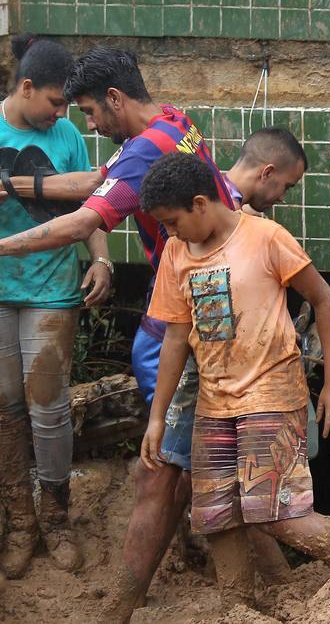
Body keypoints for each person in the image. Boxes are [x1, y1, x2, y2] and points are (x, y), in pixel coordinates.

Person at [0, 48, 290, 620]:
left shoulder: (142, 153)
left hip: (185, 317)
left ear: (114, 100)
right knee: (200, 450)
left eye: (88, 111)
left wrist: (3, 244)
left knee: (166, 461)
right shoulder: (175, 124)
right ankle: (254, 571)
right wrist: (17, 185)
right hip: (216, 308)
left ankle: (129, 598)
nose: (86, 124)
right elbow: (95, 182)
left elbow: (87, 217)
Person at [137, 153, 330, 609]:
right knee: (217, 518)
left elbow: (324, 299)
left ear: (200, 204)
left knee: (282, 516)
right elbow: (177, 336)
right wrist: (157, 418)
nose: (170, 234)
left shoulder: (265, 237)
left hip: (271, 395)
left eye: (173, 222)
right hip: (213, 405)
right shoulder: (178, 252)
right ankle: (239, 611)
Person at [0, 36, 113, 577]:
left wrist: (102, 260)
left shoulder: (65, 135)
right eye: (54, 102)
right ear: (25, 88)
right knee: (6, 411)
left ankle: (56, 519)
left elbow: (93, 204)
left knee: (47, 408)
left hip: (51, 289)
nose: (62, 115)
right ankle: (20, 522)